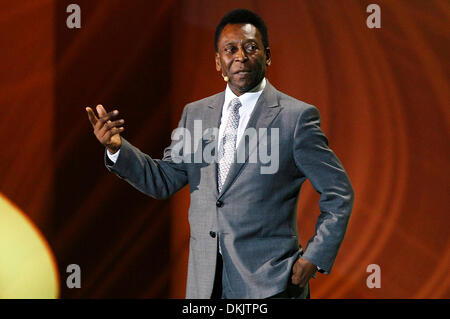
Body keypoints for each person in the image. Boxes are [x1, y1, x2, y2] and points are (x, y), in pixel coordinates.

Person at [86, 9, 354, 299]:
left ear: (267, 54)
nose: (240, 55)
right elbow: (164, 180)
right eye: (230, 49)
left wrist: (312, 259)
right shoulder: (196, 114)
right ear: (219, 62)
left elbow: (339, 193)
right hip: (206, 285)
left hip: (271, 284)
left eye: (250, 47)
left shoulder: (295, 118)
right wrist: (116, 148)